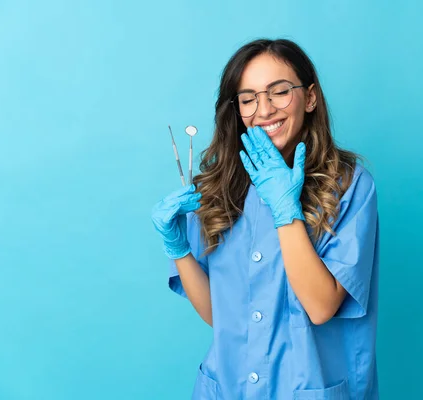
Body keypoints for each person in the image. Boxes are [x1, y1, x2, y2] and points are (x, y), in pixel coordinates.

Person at [151, 38, 380, 399]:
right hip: (227, 387)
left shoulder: (349, 185)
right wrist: (178, 248)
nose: (264, 110)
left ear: (311, 97)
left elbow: (321, 308)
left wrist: (286, 213)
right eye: (248, 98)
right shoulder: (219, 185)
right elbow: (219, 315)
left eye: (280, 92)